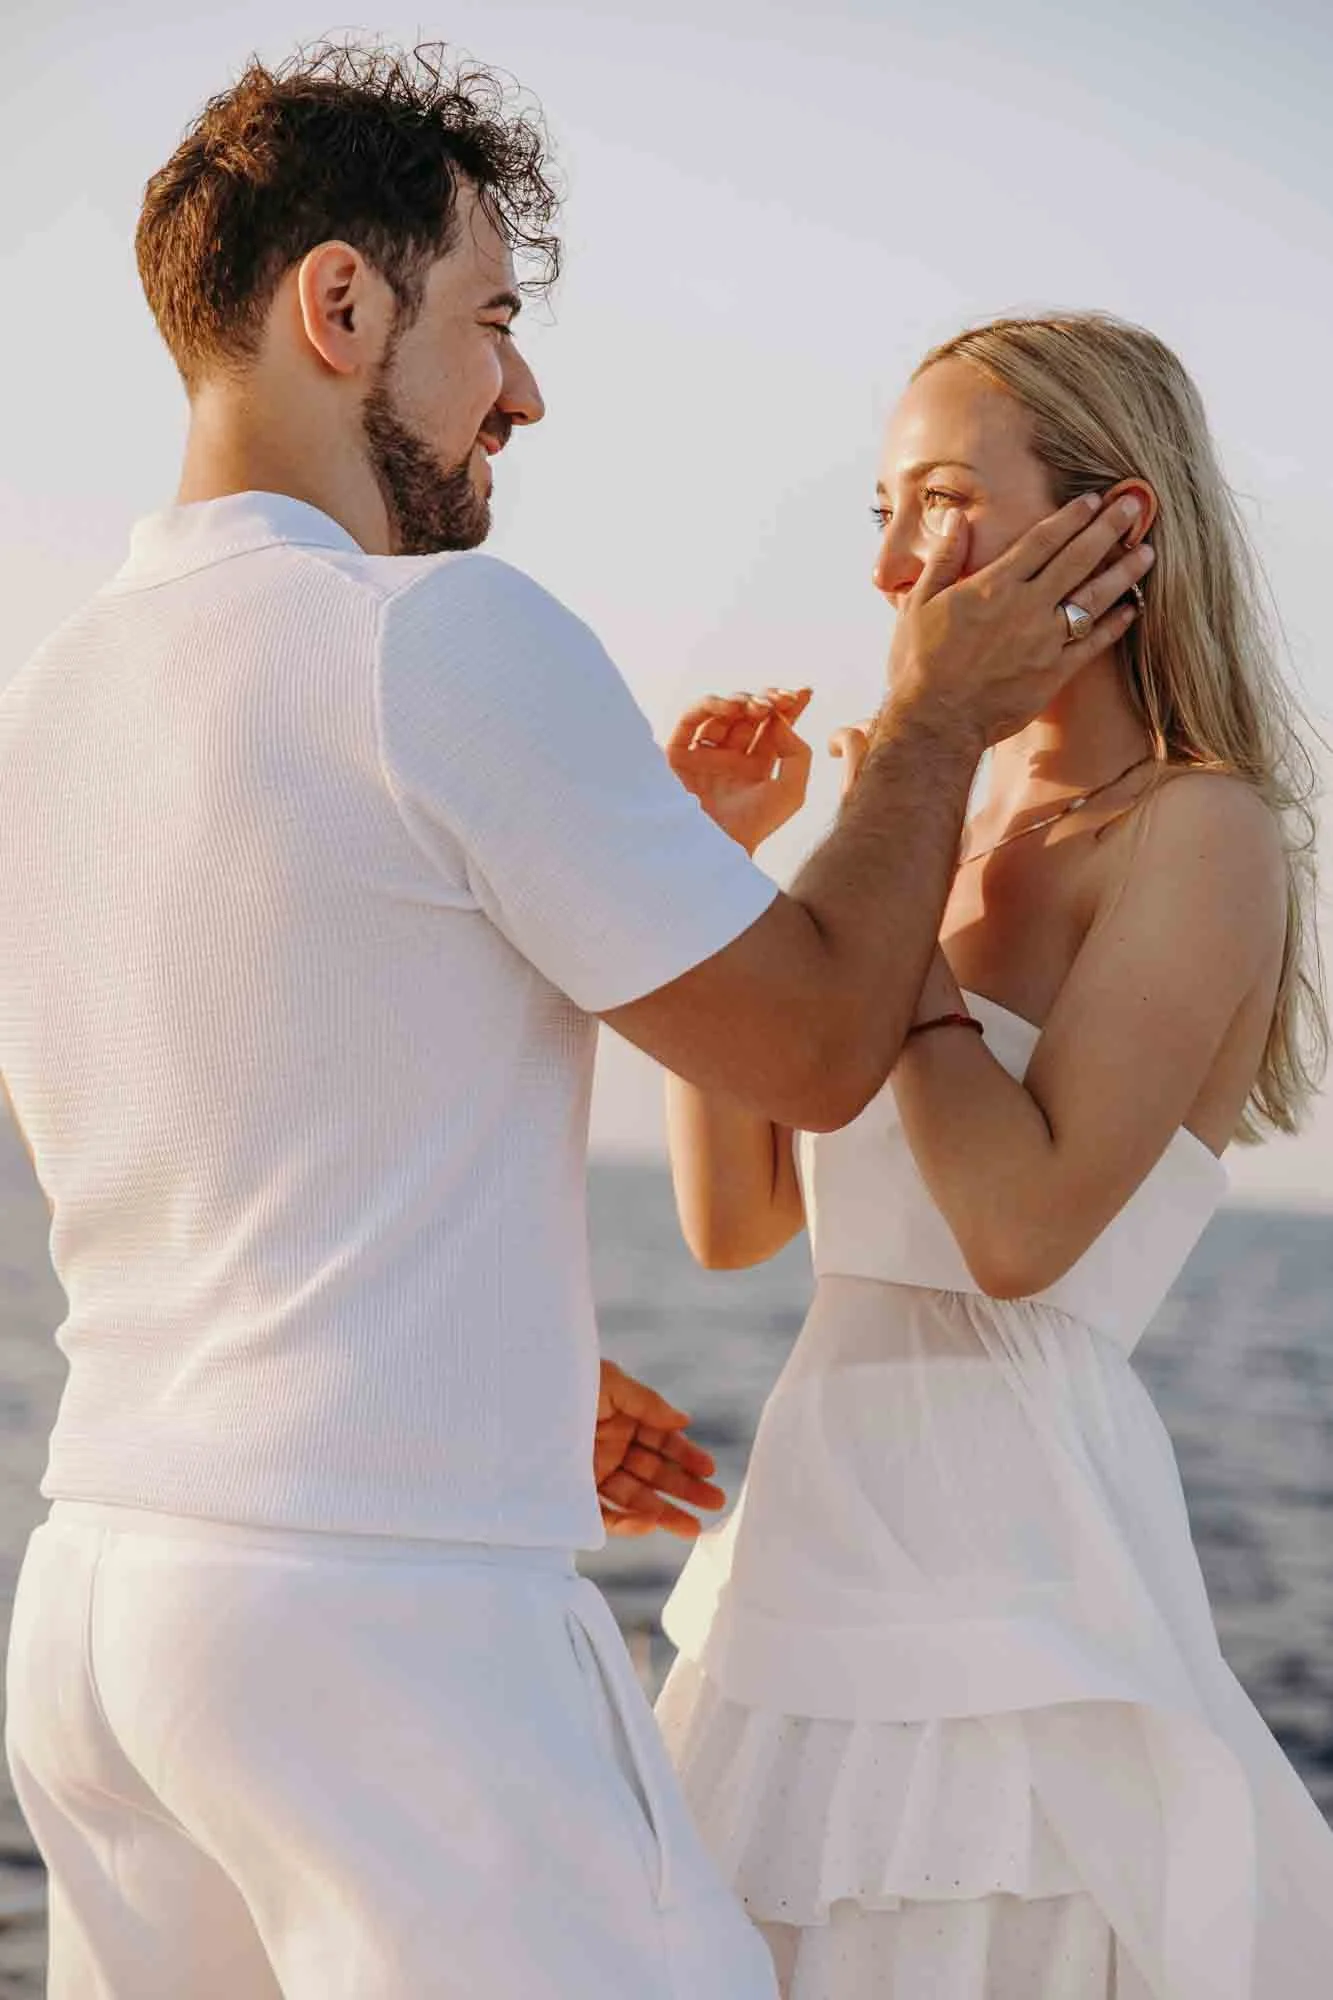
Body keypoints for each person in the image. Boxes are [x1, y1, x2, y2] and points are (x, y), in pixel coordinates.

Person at [0, 39, 1147, 2000]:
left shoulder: (56, 693)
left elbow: (231, 1111)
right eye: (492, 317)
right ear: (339, 307)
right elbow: (814, 1050)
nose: (521, 391)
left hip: (104, 1611)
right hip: (385, 1626)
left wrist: (503, 1357)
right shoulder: (436, 634)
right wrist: (938, 721)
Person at [654, 310, 1333, 1998]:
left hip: (1013, 1563)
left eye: (945, 501)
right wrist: (719, 877)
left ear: (1117, 522)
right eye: (884, 510)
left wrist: (892, 905)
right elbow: (738, 1220)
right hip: (807, 1555)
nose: (896, 565)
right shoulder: (927, 829)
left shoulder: (1200, 832)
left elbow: (1018, 1231)